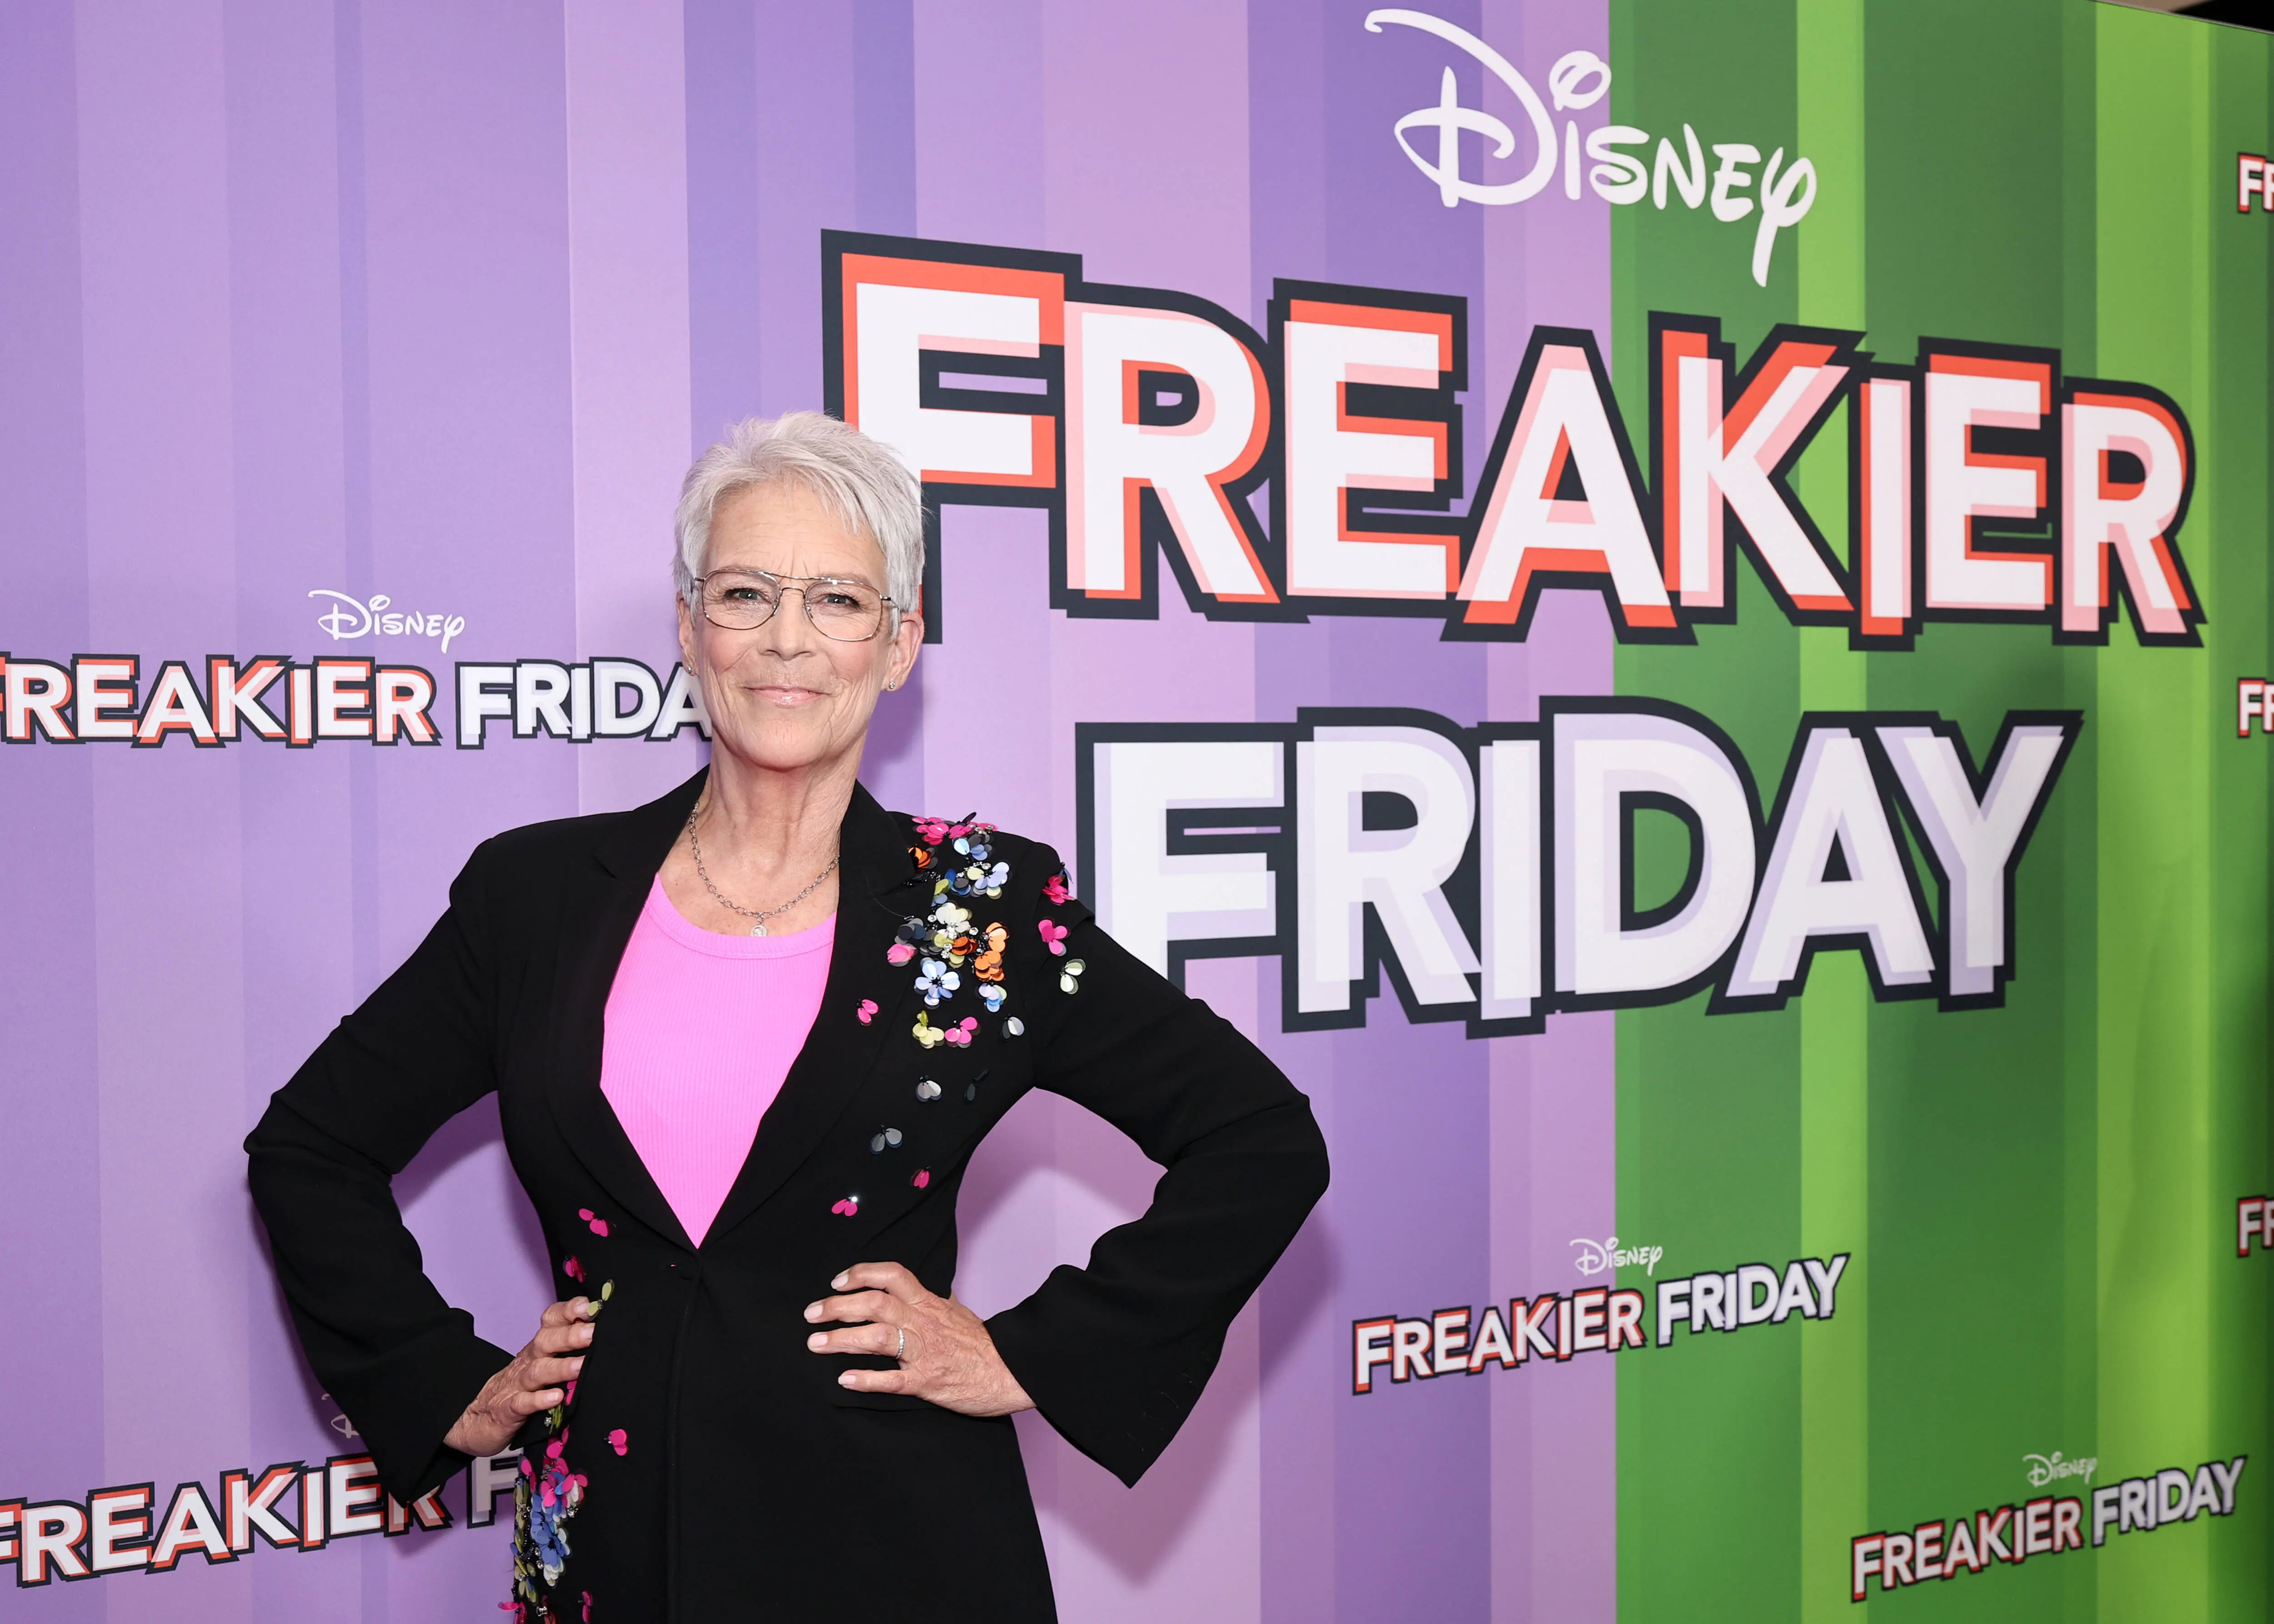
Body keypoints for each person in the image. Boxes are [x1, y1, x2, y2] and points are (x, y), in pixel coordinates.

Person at [246, 412, 1330, 1623]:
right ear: (687, 623)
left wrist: (1032, 1352)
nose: (788, 641)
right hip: (611, 1542)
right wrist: (435, 1378)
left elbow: (1260, 1139)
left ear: (902, 641)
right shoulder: (535, 896)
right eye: (746, 592)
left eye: (839, 600)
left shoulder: (978, 910)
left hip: (898, 1546)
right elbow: (312, 1149)